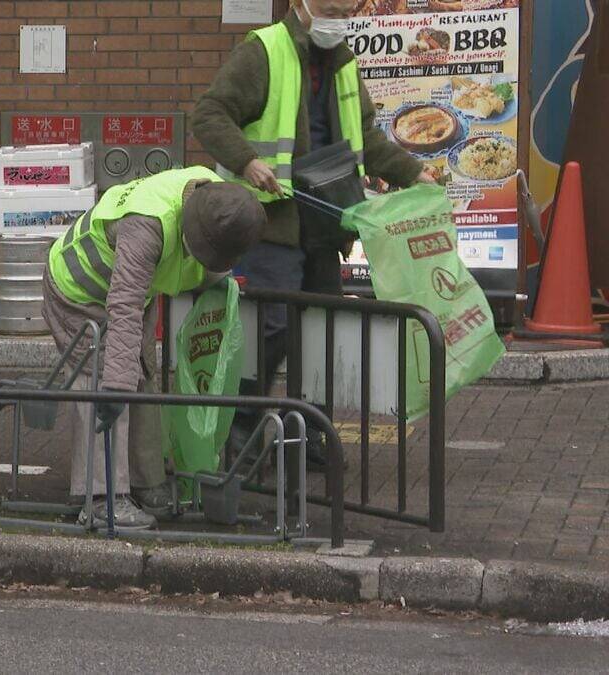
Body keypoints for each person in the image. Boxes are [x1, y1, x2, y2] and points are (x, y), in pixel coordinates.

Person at [191, 0, 430, 470]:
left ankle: (305, 439)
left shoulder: (343, 62)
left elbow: (367, 138)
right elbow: (209, 114)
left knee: (323, 333)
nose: (337, 18)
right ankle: (241, 434)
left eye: (346, 9)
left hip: (325, 222)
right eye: (330, 7)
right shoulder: (263, 50)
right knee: (272, 327)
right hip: (272, 221)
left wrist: (413, 173)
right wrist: (246, 161)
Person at [43, 167, 264, 530]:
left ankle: (145, 482)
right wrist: (115, 385)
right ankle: (101, 498)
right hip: (77, 290)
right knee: (100, 383)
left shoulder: (214, 197)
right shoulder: (146, 225)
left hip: (130, 293)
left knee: (142, 371)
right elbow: (123, 306)